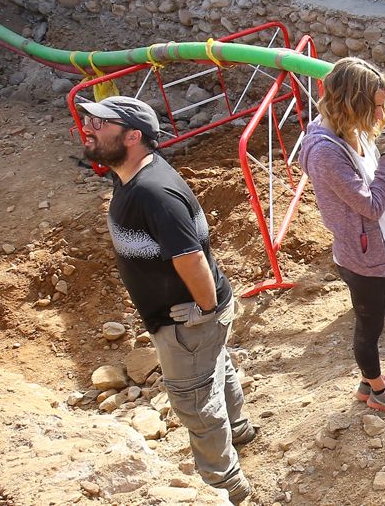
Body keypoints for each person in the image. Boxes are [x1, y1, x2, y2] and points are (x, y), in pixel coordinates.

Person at [76, 96, 254, 504]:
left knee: (193, 398)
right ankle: (240, 431)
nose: (88, 126)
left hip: (187, 320)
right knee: (216, 368)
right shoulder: (132, 175)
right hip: (194, 316)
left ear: (133, 136)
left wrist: (204, 311)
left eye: (100, 124)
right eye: (90, 119)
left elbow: (190, 258)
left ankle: (224, 486)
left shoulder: (153, 192)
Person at [299, 58, 385, 419]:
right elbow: (369, 205)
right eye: (377, 105)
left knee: (376, 319)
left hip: (376, 246)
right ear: (353, 104)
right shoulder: (325, 151)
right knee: (370, 327)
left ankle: (372, 380)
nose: (384, 112)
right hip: (362, 253)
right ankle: (378, 391)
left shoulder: (350, 129)